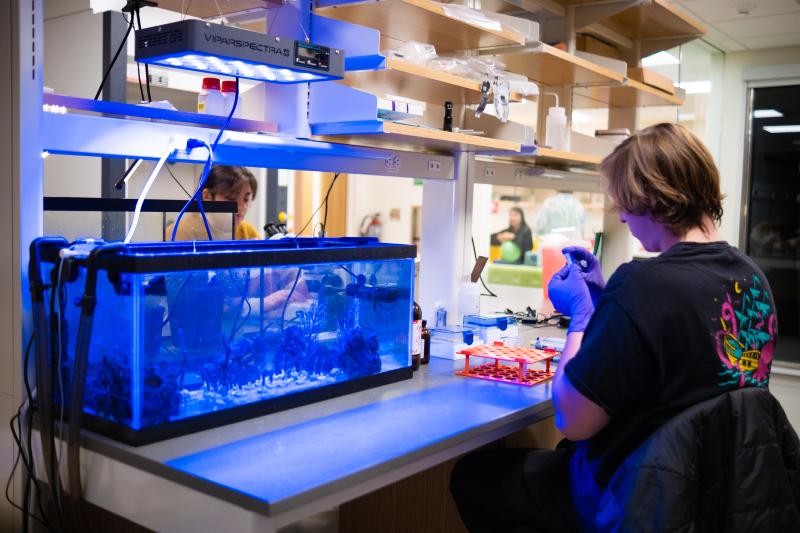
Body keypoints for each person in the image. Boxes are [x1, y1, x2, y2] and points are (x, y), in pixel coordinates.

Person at [449, 123, 779, 531]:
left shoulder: (645, 283)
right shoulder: (752, 278)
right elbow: (683, 358)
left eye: (624, 202)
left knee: (475, 476)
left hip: (637, 496)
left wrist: (582, 319)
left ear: (652, 199)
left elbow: (572, 418)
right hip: (720, 497)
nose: (621, 214)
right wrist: (611, 302)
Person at [167, 165, 260, 241]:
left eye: (246, 199)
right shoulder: (180, 233)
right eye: (232, 198)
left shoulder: (247, 232)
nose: (242, 207)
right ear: (207, 196)